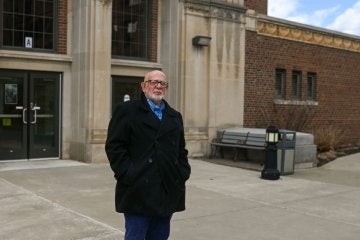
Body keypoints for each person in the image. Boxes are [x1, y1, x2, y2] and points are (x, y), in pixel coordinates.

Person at [105, 70, 191, 240]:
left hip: (167, 189)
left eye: (162, 83)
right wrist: (128, 173)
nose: (158, 86)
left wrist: (182, 172)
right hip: (138, 189)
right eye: (153, 82)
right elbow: (114, 146)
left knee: (160, 236)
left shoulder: (174, 116)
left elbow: (181, 149)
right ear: (144, 87)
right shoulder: (127, 111)